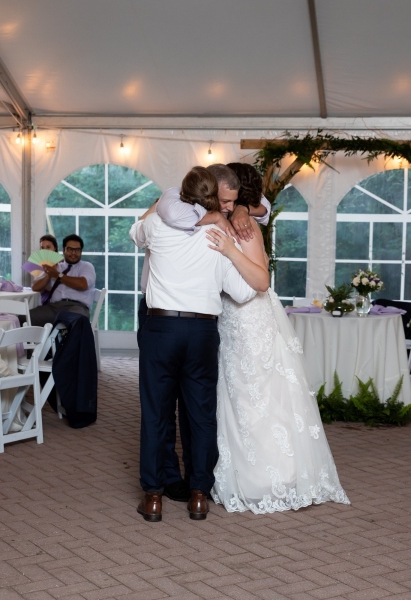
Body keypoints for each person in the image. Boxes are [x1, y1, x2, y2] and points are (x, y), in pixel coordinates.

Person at [163, 163, 350, 514]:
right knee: (230, 399)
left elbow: (261, 283)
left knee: (262, 397)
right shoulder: (197, 216)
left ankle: (273, 476)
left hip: (251, 320)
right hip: (222, 321)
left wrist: (232, 246)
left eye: (234, 202)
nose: (229, 207)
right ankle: (225, 474)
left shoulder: (244, 226)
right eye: (224, 201)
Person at [130, 167, 258, 522]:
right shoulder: (220, 235)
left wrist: (162, 206)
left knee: (156, 413)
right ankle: (199, 494)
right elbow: (246, 291)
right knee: (202, 416)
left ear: (182, 196)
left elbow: (135, 232)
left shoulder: (156, 224)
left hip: (160, 327)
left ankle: (153, 497)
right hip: (202, 332)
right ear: (215, 199)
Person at [29, 234, 96, 327]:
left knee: (76, 320)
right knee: (24, 317)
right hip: (53, 308)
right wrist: (49, 275)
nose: (73, 253)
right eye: (70, 249)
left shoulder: (87, 266)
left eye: (77, 250)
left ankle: (61, 340)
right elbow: (35, 287)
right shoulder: (56, 267)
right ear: (64, 250)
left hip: (77, 307)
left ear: (81, 252)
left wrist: (58, 275)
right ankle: (38, 341)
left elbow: (83, 284)